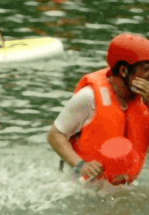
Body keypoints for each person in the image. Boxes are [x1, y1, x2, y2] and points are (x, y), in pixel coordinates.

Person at [48, 33, 149, 182]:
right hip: (82, 187)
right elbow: (55, 135)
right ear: (123, 71)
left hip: (124, 187)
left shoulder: (145, 99)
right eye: (147, 69)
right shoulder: (89, 97)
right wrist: (80, 165)